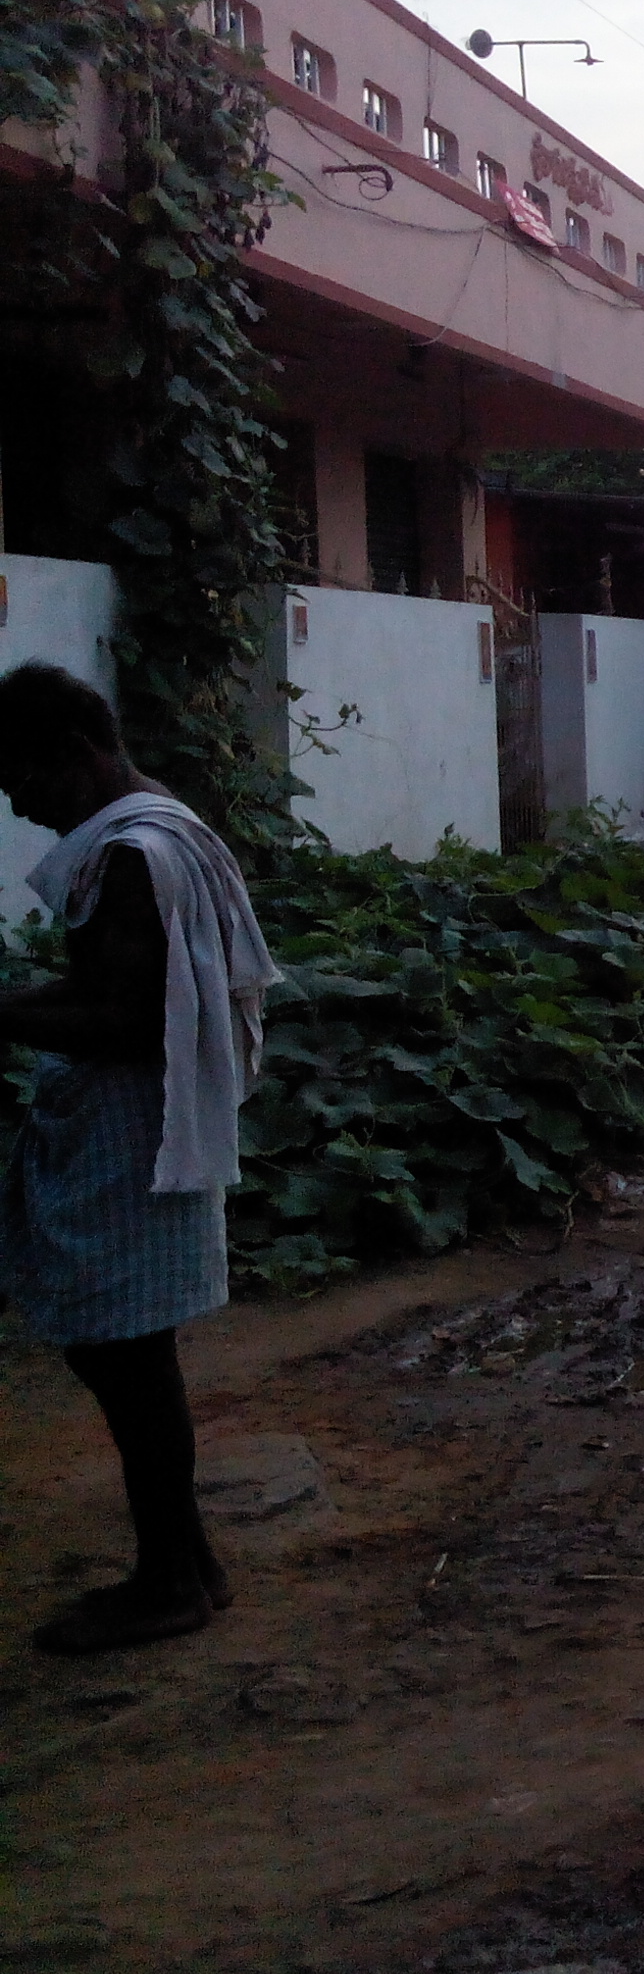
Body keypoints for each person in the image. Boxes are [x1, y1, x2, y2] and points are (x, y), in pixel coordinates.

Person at [0, 665, 278, 1656]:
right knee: (124, 1353)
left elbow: (122, 1017)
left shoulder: (131, 853)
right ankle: (187, 1563)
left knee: (126, 1356)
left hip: (134, 1125)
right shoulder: (164, 826)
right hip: (152, 1118)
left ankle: (170, 1579)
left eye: (19, 779)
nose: (17, 804)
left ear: (73, 754)